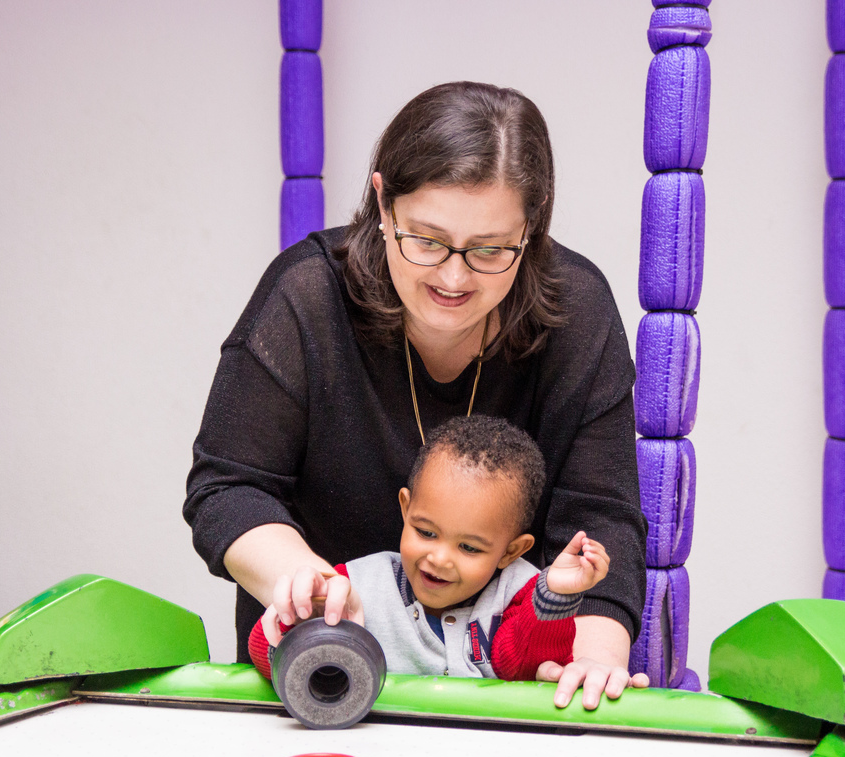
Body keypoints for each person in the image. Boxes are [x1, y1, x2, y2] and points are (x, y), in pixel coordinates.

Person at [185, 81, 649, 709]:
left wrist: (592, 664)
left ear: (531, 228)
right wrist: (306, 587)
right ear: (382, 203)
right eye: (426, 240)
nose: (453, 277)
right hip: (322, 682)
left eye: (490, 250)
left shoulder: (577, 309)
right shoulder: (307, 297)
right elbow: (227, 489)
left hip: (504, 699)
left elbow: (600, 519)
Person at [250, 416, 611, 686]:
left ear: (511, 551)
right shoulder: (356, 587)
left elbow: (526, 665)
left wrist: (557, 596)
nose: (439, 558)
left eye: (469, 547)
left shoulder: (523, 595)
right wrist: (301, 620)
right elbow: (268, 660)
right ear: (405, 509)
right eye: (425, 531)